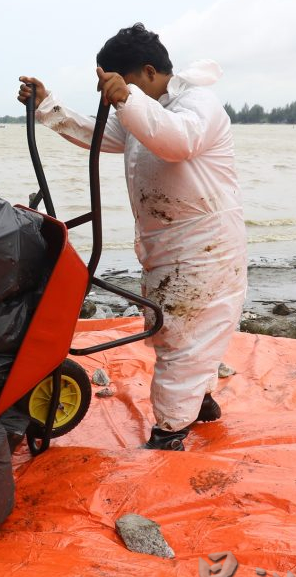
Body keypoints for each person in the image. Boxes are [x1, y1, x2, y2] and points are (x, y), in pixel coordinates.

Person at [17, 23, 247, 451]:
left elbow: (177, 142)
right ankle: (198, 401)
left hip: (205, 247)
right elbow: (99, 134)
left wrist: (127, 98)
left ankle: (170, 429)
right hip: (167, 245)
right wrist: (48, 106)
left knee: (182, 337)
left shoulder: (198, 104)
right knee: (179, 331)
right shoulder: (145, 110)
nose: (116, 95)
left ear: (147, 71)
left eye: (121, 82)